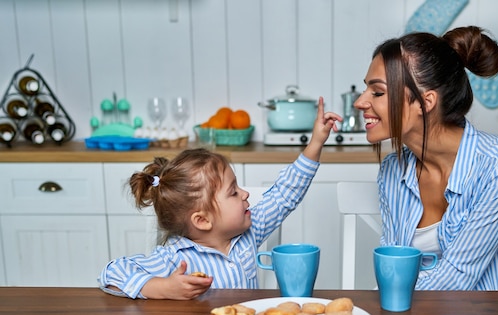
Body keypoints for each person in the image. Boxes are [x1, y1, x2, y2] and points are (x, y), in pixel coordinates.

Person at [99, 98, 341, 300]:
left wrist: (316, 142)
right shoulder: (175, 257)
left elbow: (285, 193)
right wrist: (162, 288)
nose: (245, 194)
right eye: (234, 192)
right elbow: (111, 274)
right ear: (202, 220)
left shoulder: (249, 232)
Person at [354, 26, 498, 290]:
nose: (360, 102)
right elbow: (394, 268)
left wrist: (394, 302)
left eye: (377, 92)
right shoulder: (394, 169)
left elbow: (459, 276)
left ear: (426, 102)